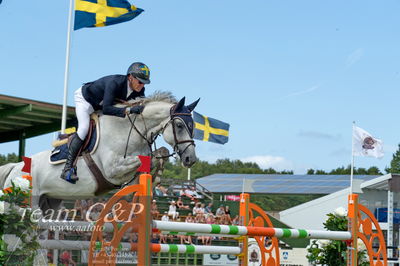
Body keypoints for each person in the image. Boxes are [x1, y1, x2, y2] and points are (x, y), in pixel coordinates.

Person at [60, 62, 151, 184]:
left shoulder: (140, 90)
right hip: (87, 101)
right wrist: (129, 110)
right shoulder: (115, 83)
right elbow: (107, 109)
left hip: (101, 104)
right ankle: (67, 168)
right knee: (83, 128)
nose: (141, 85)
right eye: (140, 81)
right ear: (130, 77)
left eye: (144, 83)